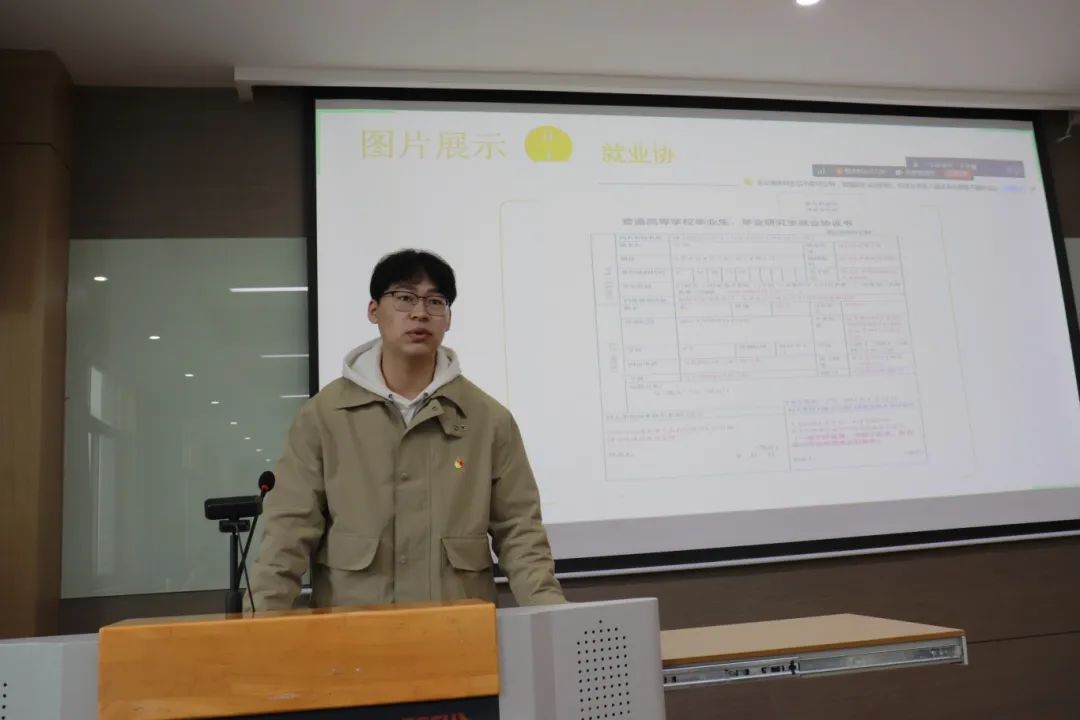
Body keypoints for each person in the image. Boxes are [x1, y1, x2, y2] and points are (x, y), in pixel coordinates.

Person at [251, 249, 565, 610]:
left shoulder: (488, 420)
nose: (420, 313)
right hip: (354, 630)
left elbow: (521, 533)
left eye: (435, 301)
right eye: (404, 298)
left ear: (448, 319)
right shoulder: (323, 417)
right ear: (373, 311)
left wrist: (555, 618)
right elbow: (287, 534)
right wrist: (262, 624)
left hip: (458, 630)